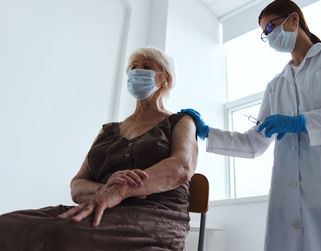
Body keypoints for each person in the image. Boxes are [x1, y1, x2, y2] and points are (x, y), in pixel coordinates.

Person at [180, 0, 321, 251]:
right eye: (265, 34)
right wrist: (207, 132)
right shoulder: (276, 86)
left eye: (271, 27)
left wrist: (304, 122)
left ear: (294, 19)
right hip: (293, 195)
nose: (268, 36)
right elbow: (254, 143)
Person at [0, 47, 198, 251]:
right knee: (6, 225)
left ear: (166, 80)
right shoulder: (109, 130)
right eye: (133, 67)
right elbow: (77, 186)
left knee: (60, 234)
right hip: (102, 207)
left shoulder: (181, 121)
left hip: (155, 216)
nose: (137, 72)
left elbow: (181, 168)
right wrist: (104, 190)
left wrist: (120, 190)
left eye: (146, 67)